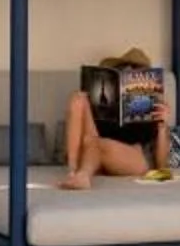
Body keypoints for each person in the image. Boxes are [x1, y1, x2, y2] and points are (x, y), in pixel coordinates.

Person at [60, 49, 170, 186]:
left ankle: (83, 176)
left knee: (97, 144)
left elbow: (162, 165)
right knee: (77, 98)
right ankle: (72, 171)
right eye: (124, 69)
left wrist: (163, 125)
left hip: (133, 155)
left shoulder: (155, 105)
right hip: (94, 147)